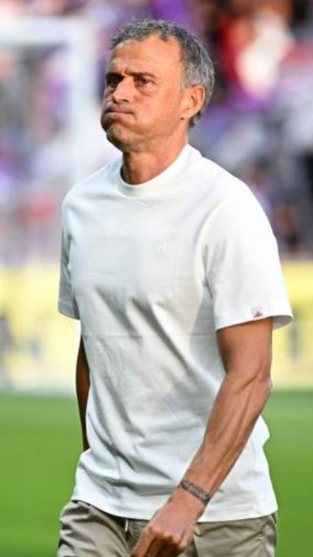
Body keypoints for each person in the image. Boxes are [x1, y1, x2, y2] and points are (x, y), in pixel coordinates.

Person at [56, 18, 293, 557]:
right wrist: (99, 464)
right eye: (114, 79)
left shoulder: (226, 209)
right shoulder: (80, 207)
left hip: (219, 516)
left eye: (142, 81)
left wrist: (189, 499)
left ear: (191, 100)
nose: (120, 92)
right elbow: (93, 347)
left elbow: (252, 375)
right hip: (100, 506)